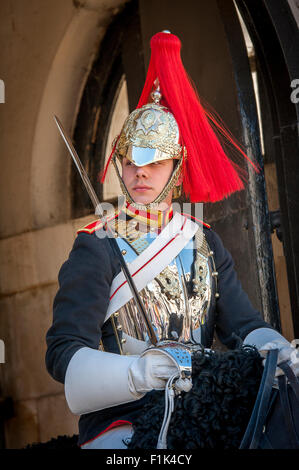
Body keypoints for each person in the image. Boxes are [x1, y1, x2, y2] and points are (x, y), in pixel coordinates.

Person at [45, 31, 298, 449]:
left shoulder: (203, 240)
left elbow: (241, 325)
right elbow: (63, 350)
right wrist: (137, 373)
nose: (140, 172)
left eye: (154, 161)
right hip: (122, 416)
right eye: (131, 161)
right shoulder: (97, 243)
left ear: (175, 169)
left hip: (203, 404)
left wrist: (278, 351)